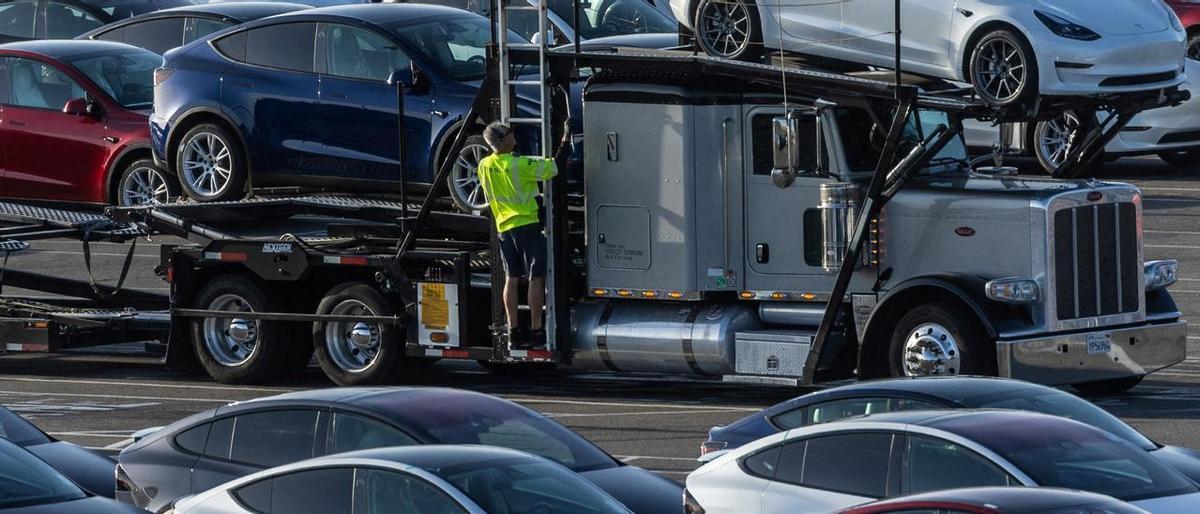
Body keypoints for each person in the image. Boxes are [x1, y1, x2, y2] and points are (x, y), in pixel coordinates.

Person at [477, 121, 572, 348]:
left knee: (511, 278)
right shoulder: (520, 164)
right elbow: (554, 167)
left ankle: (514, 331)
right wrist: (566, 137)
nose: (514, 136)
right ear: (502, 141)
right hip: (527, 225)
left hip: (503, 228)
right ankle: (537, 330)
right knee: (535, 278)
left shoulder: (484, 165)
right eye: (510, 134)